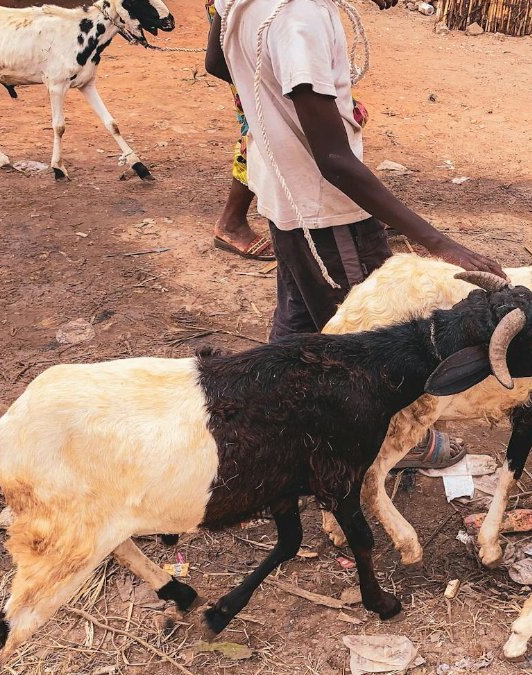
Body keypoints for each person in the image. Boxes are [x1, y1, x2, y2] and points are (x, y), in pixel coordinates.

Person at [206, 0, 504, 467]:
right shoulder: (299, 18)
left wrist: (286, 103)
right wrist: (440, 243)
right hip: (328, 215)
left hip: (286, 202)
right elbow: (335, 161)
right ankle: (390, 444)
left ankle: (273, 423)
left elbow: (215, 61)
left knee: (300, 320)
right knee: (373, 341)